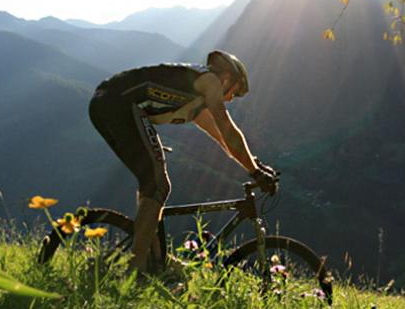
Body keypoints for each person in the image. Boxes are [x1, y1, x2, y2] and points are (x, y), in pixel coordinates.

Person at [89, 50, 276, 273]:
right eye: (234, 93)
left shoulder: (195, 103)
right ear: (226, 78)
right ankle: (136, 267)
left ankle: (155, 258)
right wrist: (255, 174)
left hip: (104, 104)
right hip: (119, 105)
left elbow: (224, 140)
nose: (229, 99)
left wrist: (255, 165)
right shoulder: (210, 81)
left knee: (152, 183)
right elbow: (227, 128)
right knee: (159, 185)